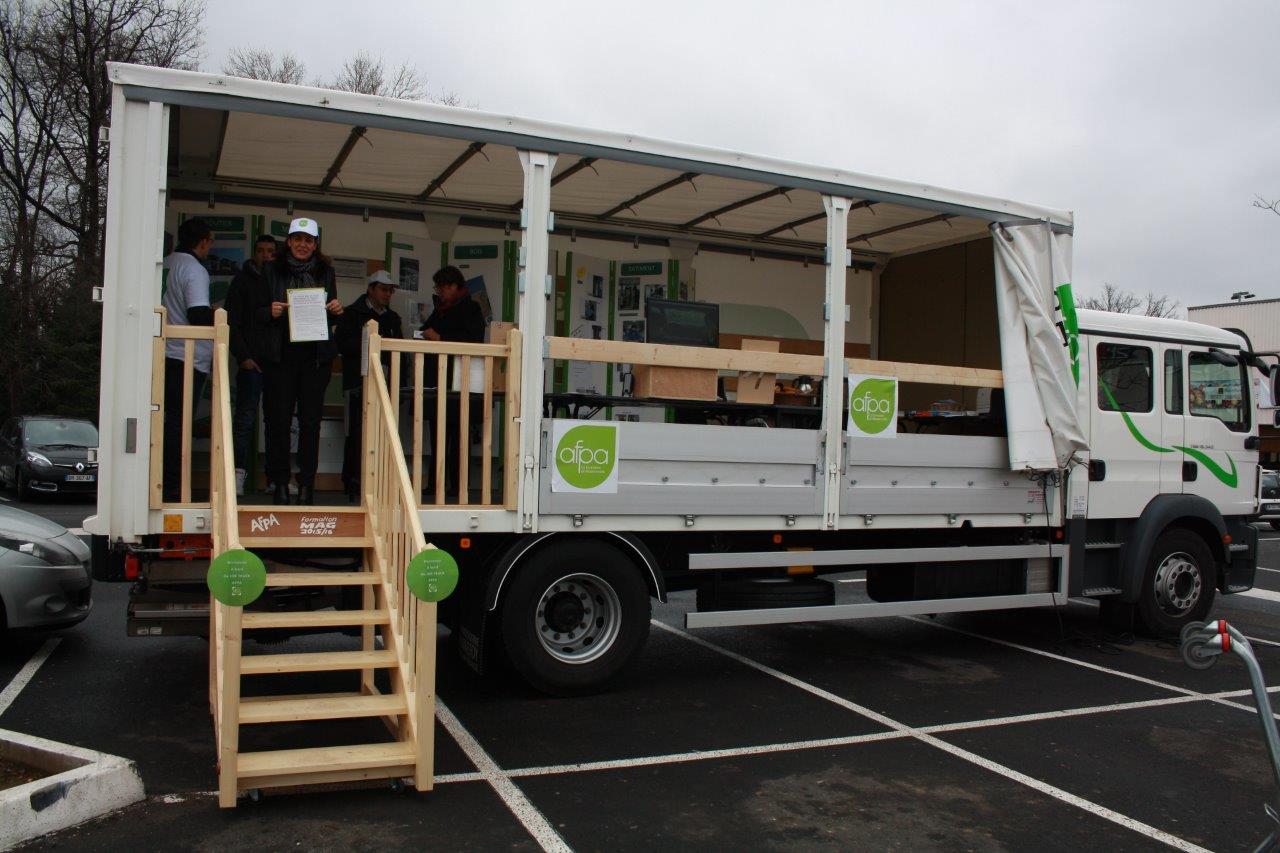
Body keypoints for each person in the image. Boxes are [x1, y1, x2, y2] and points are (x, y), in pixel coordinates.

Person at [260, 218, 343, 505]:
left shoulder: (326, 271)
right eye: (297, 239)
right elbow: (250, 313)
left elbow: (329, 313)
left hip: (314, 360)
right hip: (280, 357)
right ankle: (280, 483)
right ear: (289, 241)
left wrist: (335, 309)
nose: (302, 245)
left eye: (308, 240)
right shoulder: (270, 270)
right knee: (278, 422)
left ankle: (307, 485)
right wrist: (268, 311)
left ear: (315, 244)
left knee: (310, 423)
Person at [419, 265, 485, 500]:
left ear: (456, 287)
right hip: (438, 382)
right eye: (438, 288)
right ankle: (435, 485)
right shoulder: (440, 310)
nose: (440, 292)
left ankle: (458, 488)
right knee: (437, 436)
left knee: (459, 439)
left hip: (460, 383)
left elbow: (474, 340)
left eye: (443, 287)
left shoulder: (471, 308)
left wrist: (440, 338)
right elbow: (425, 329)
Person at [336, 269, 403, 499]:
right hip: (357, 383)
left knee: (383, 434)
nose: (388, 294)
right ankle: (353, 483)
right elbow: (342, 345)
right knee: (355, 434)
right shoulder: (352, 314)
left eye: (390, 290)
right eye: (384, 289)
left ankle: (378, 483)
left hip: (385, 385)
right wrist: (371, 345)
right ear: (371, 289)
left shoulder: (393, 318)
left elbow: (399, 353)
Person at [161, 217, 214, 503]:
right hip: (186, 357)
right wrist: (219, 313)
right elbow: (197, 315)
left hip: (165, 354)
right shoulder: (194, 269)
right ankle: (174, 489)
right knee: (179, 426)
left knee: (167, 422)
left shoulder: (166, 263)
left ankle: (165, 483)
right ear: (203, 241)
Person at [224, 234, 277, 496]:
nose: (265, 255)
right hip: (251, 362)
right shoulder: (241, 282)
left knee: (277, 422)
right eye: (261, 251)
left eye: (270, 251)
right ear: (254, 253)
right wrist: (243, 356)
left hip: (277, 363)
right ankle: (237, 475)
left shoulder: (279, 281)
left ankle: (274, 478)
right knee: (244, 420)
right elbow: (232, 322)